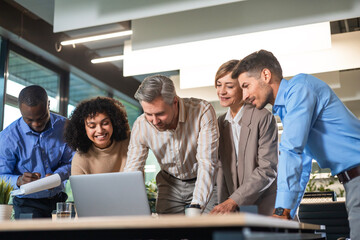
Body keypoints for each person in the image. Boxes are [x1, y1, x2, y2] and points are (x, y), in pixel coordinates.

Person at [232, 49, 360, 239]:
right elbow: (302, 167)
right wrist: (286, 213)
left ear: (266, 75)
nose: (244, 96)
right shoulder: (289, 109)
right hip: (352, 182)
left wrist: (282, 210)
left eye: (246, 86)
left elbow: (291, 150)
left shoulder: (300, 88)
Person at [124, 75, 219, 214]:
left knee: (207, 230)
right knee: (168, 233)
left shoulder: (202, 111)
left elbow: (207, 162)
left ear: (175, 102)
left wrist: (197, 205)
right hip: (170, 184)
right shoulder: (141, 124)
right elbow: (133, 169)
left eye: (160, 113)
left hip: (202, 178)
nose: (154, 121)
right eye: (148, 114)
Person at [210, 60, 278, 216]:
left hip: (265, 204)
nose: (221, 91)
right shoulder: (220, 123)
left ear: (243, 87)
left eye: (229, 86)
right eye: (219, 85)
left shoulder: (262, 117)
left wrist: (233, 201)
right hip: (233, 209)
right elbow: (220, 170)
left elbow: (267, 169)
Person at [0, 85, 73, 219]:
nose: (36, 124)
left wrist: (57, 176)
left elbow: (74, 162)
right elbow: (1, 175)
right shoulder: (8, 137)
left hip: (59, 201)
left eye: (41, 117)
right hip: (26, 203)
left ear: (48, 104)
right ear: (20, 111)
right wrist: (18, 180)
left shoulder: (66, 128)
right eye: (29, 119)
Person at [64, 97, 130, 175]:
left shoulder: (129, 141)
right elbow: (79, 187)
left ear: (114, 122)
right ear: (83, 129)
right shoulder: (80, 159)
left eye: (105, 123)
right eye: (92, 126)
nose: (100, 130)